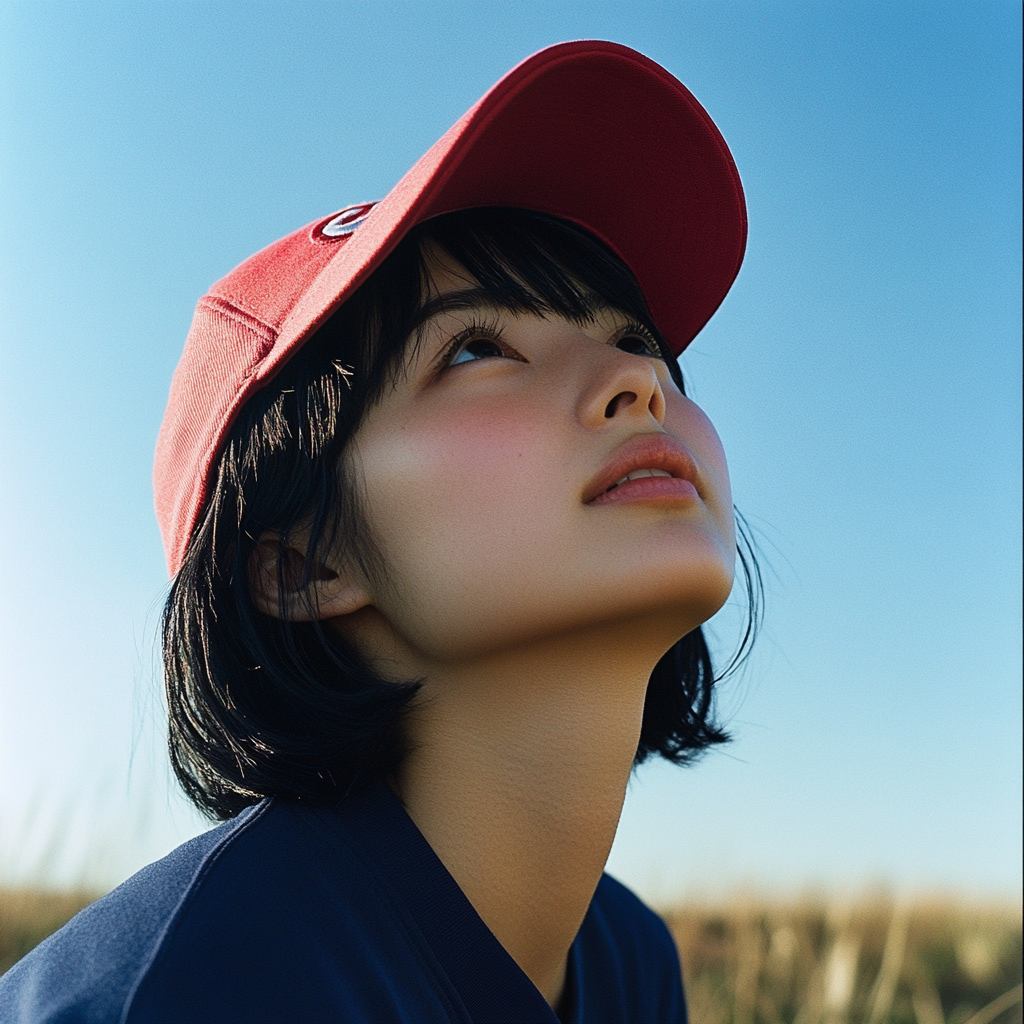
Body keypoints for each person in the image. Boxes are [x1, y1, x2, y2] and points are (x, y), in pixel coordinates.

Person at [0, 40, 759, 1023]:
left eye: (632, 338)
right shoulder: (198, 990)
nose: (638, 381)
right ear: (303, 561)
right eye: (477, 346)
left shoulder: (630, 963)